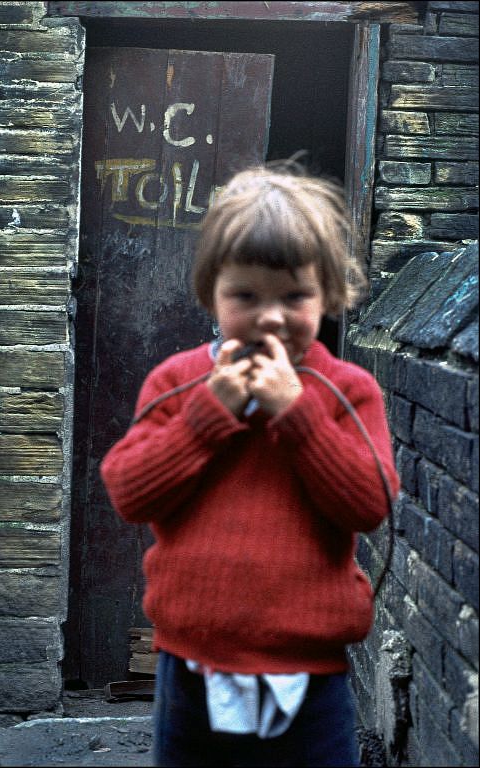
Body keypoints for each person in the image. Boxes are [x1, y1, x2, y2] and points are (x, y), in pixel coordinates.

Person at [100, 162, 400, 767]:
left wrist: (298, 413)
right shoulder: (178, 382)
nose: (270, 317)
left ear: (329, 295)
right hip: (192, 664)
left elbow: (370, 506)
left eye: (295, 296)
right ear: (211, 292)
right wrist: (209, 415)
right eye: (245, 296)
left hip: (310, 670)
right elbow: (131, 493)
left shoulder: (348, 389)